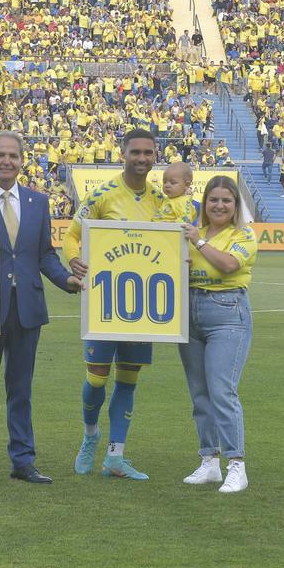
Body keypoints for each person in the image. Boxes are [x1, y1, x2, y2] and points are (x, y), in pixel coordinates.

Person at [0, 132, 82, 485]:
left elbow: (43, 254)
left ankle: (23, 460)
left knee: (21, 388)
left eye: (13, 155)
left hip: (27, 307)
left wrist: (67, 281)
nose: (7, 161)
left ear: (22, 160)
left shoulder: (37, 202)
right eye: (0, 155)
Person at [63, 129, 166, 480]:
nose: (141, 158)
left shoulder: (160, 199)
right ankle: (90, 436)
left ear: (155, 156)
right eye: (135, 151)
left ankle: (115, 457)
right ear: (122, 153)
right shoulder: (102, 195)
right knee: (96, 379)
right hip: (105, 303)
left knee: (128, 380)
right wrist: (75, 260)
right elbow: (72, 235)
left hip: (142, 305)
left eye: (148, 152)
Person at [178, 175, 256, 493]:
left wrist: (197, 242)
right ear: (204, 203)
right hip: (190, 312)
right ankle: (209, 460)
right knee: (200, 393)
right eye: (213, 199)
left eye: (226, 200)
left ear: (235, 205)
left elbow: (227, 264)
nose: (219, 205)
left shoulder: (243, 235)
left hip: (227, 313)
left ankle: (236, 464)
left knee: (222, 391)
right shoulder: (191, 232)